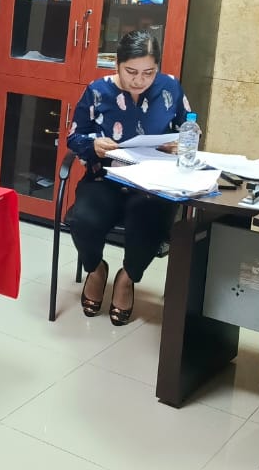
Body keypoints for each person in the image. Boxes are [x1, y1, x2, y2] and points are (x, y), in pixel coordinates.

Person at [66, 30, 188, 325]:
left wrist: (180, 144)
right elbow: (75, 137)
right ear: (117, 65)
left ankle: (128, 278)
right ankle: (96, 269)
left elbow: (188, 130)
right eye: (131, 71)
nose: (139, 80)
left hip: (151, 183)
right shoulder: (98, 91)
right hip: (105, 179)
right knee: (82, 220)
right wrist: (93, 145)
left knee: (150, 221)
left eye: (149, 72)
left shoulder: (170, 88)